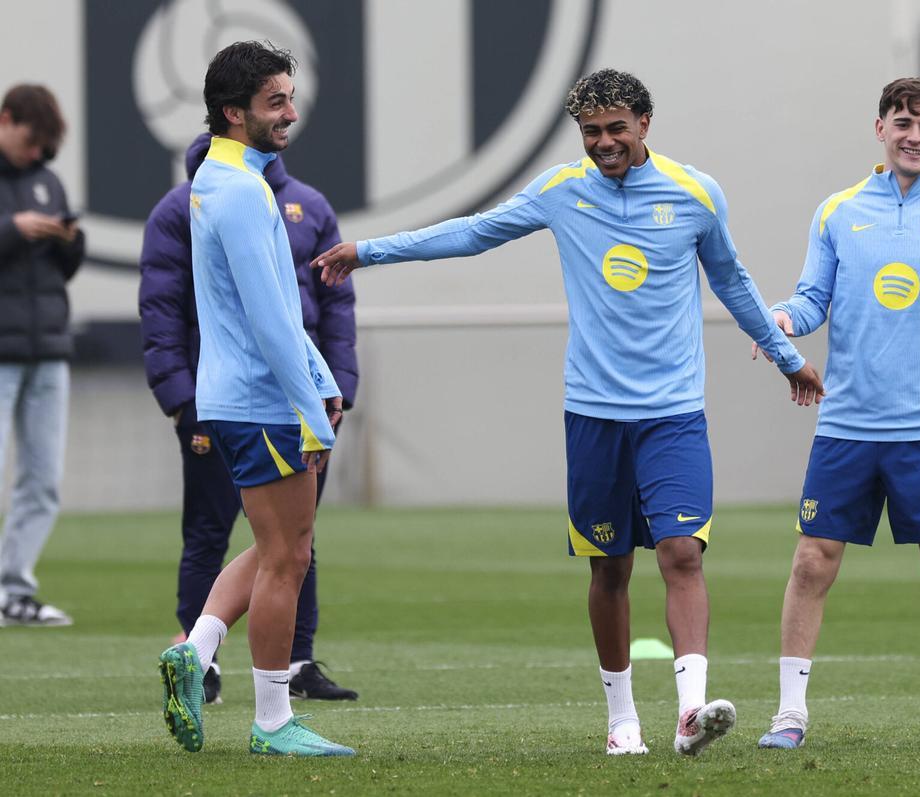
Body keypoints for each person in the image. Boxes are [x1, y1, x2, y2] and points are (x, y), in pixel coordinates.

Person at [313, 68, 825, 757]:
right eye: (592, 132)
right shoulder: (561, 192)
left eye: (617, 128)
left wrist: (787, 358)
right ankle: (622, 721)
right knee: (607, 568)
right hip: (593, 414)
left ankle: (691, 712)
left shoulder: (695, 194)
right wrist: (369, 251)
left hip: (672, 413)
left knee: (681, 553)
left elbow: (730, 280)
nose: (605, 142)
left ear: (646, 124)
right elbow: (474, 232)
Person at [753, 77, 920, 750]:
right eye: (902, 122)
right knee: (812, 561)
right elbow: (812, 300)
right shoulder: (838, 211)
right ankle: (789, 713)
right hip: (846, 426)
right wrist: (782, 317)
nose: (913, 135)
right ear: (880, 129)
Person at [157, 41, 353, 757]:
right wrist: (309, 406)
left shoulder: (227, 177)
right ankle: (273, 721)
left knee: (274, 545)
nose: (291, 114)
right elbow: (271, 317)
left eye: (289, 98)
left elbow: (273, 312)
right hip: (262, 400)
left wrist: (322, 381)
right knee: (288, 557)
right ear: (233, 112)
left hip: (248, 396)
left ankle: (197, 647)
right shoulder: (239, 191)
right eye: (276, 102)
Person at [0, 84, 84, 627]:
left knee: (42, 477)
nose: (37, 154)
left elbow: (66, 270)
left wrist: (66, 239)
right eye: (31, 141)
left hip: (48, 348)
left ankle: (14, 590)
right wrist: (12, 230)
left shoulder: (48, 181)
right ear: (5, 120)